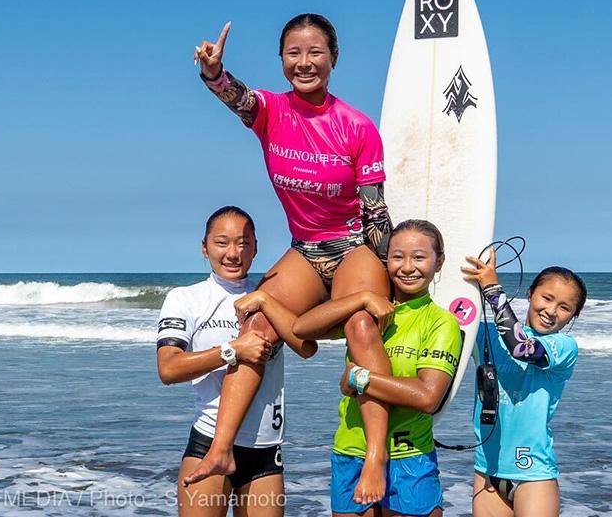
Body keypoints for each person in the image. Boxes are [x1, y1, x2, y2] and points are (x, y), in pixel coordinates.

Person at [187, 15, 394, 504]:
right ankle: (221, 449)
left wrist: (395, 277)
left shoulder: (358, 128)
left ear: (333, 59)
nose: (304, 63)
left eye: (315, 52)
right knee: (256, 324)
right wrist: (214, 72)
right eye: (294, 53)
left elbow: (376, 213)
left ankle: (377, 456)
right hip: (305, 246)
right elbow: (235, 97)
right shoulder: (271, 112)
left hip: (353, 245)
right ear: (281, 60)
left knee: (362, 326)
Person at [234, 220, 461, 516]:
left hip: (409, 457)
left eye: (419, 257)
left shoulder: (440, 323)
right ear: (385, 260)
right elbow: (302, 328)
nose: (407, 267)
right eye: (397, 257)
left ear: (438, 262)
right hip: (351, 451)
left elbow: (427, 397)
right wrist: (362, 298)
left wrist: (358, 378)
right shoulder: (369, 313)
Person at [156, 206, 317, 516]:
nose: (233, 253)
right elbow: (169, 368)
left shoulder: (272, 295)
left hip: (265, 449)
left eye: (243, 243)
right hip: (209, 440)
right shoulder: (186, 298)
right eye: (221, 242)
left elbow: (306, 348)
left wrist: (268, 301)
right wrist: (232, 350)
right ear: (204, 248)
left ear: (255, 248)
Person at [462, 254, 587, 517]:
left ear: (573, 315)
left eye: (564, 307)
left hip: (533, 474)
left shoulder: (564, 348)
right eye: (547, 298)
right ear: (531, 294)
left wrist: (492, 290)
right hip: (488, 469)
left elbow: (521, 348)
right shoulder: (484, 333)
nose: (551, 311)